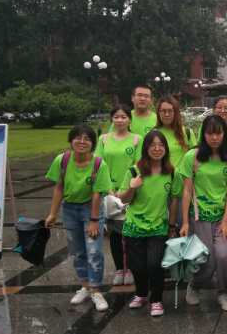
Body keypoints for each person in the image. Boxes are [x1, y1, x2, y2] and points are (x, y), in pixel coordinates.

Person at [45, 124, 113, 312]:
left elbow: (97, 194)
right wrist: (52, 213)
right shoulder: (62, 160)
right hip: (69, 209)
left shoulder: (98, 164)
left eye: (87, 139)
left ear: (93, 144)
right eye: (78, 138)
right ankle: (85, 286)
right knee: (77, 251)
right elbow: (59, 187)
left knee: (94, 251)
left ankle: (96, 290)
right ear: (71, 140)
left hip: (91, 209)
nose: (82, 142)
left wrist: (94, 220)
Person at [178, 115, 227, 311]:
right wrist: (185, 222)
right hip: (199, 217)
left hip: (222, 216)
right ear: (203, 134)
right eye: (210, 133)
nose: (214, 138)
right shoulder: (192, 157)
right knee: (206, 258)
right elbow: (187, 191)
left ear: (224, 135)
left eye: (218, 133)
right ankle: (195, 285)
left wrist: (226, 220)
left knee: (223, 255)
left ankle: (223, 291)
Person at [120, 130, 182, 317]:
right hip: (134, 227)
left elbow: (174, 200)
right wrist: (132, 188)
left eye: (161, 145)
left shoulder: (172, 173)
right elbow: (123, 200)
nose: (157, 149)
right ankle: (141, 294)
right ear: (146, 148)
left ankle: (156, 299)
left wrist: (172, 225)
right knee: (137, 266)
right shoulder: (134, 171)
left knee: (154, 264)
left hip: (158, 227)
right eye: (152, 145)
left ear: (166, 149)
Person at [95, 105, 140, 285]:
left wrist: (128, 189)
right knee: (114, 232)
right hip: (109, 192)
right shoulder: (104, 139)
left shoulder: (137, 139)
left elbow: (138, 165)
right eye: (116, 117)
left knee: (129, 232)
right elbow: (99, 164)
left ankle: (131, 268)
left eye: (123, 117)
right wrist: (108, 189)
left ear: (129, 120)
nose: (120, 120)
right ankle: (119, 268)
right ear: (112, 119)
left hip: (129, 191)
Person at [156, 95, 196, 169]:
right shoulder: (153, 134)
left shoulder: (187, 133)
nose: (167, 114)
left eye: (170, 111)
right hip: (160, 176)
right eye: (163, 111)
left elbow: (195, 158)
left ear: (176, 112)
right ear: (158, 113)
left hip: (182, 176)